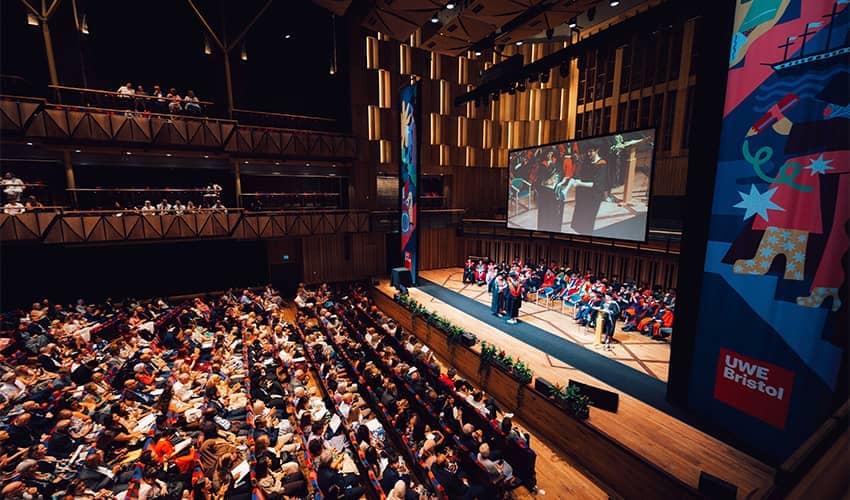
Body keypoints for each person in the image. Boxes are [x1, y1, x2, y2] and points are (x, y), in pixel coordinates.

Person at [570, 144, 610, 235]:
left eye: (591, 151)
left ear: (597, 150)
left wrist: (580, 183)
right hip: (584, 195)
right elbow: (581, 175)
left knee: (587, 222)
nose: (588, 154)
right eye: (587, 151)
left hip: (593, 197)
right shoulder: (587, 162)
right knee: (580, 221)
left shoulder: (602, 165)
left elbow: (597, 184)